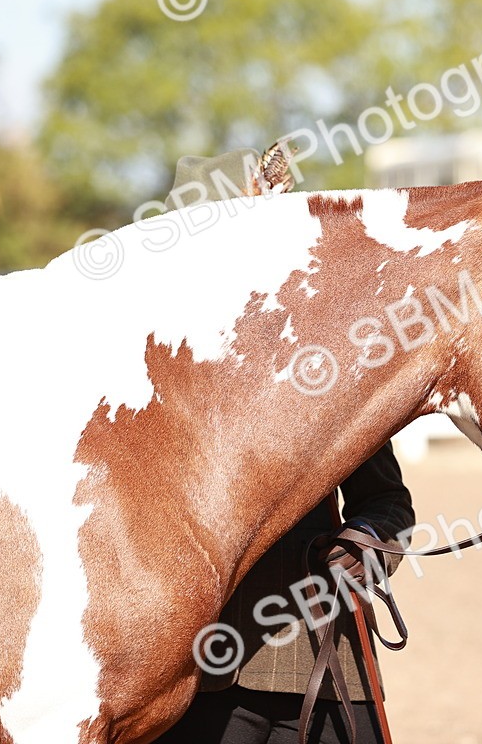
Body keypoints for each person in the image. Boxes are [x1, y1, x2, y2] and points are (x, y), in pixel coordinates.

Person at [153, 150, 415, 744]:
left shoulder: (332, 364)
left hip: (322, 657)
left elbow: (389, 504)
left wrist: (364, 546)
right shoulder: (154, 381)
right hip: (196, 676)